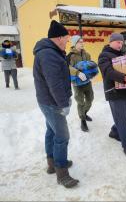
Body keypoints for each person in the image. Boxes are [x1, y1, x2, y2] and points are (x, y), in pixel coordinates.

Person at [33, 20, 79, 188]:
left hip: (47, 100)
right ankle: (62, 173)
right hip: (53, 103)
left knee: (51, 132)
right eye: (66, 39)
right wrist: (63, 104)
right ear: (59, 38)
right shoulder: (49, 54)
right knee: (62, 136)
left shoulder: (51, 51)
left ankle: (52, 164)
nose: (67, 42)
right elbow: (55, 83)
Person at [98, 33, 126, 159]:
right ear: (111, 42)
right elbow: (108, 72)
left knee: (124, 117)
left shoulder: (124, 54)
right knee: (122, 121)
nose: (120, 45)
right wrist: (124, 78)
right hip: (114, 92)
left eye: (122, 42)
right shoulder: (104, 56)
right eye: (118, 42)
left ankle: (114, 132)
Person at [68, 35, 94, 132]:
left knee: (90, 99)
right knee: (81, 102)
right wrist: (77, 73)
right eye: (80, 42)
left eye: (83, 41)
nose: (82, 43)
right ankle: (83, 120)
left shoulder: (86, 54)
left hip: (87, 81)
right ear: (75, 44)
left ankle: (84, 113)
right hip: (77, 84)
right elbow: (68, 67)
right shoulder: (70, 56)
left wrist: (93, 71)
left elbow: (90, 65)